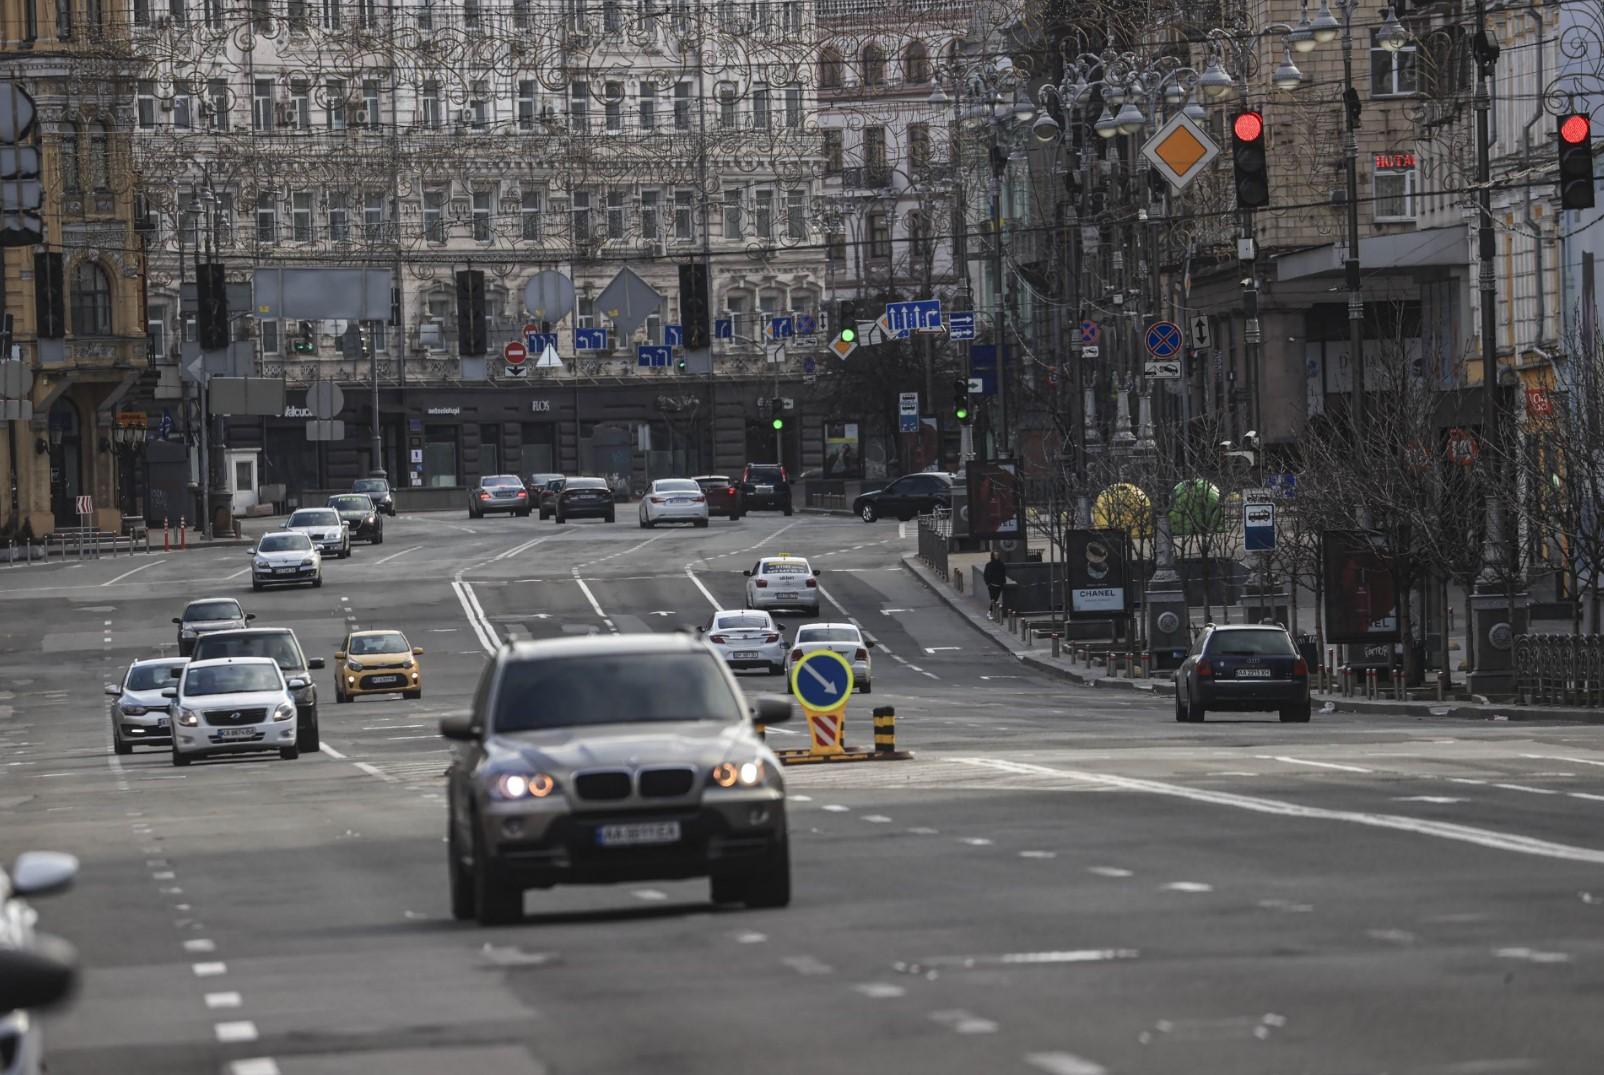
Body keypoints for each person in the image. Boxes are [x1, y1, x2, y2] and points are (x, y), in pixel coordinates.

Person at [983, 551, 1008, 621]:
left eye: (997, 555)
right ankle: (990, 613)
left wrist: (1003, 583)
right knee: (993, 599)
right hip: (991, 585)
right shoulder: (989, 565)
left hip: (999, 585)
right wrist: (988, 583)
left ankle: (991, 613)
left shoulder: (1001, 565)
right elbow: (985, 574)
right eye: (995, 555)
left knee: (995, 599)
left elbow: (1003, 574)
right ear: (992, 556)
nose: (996, 556)